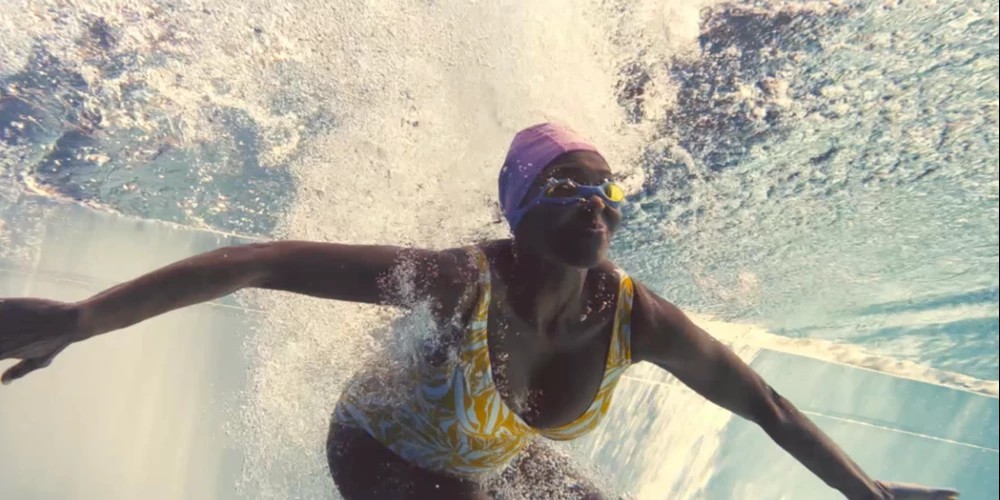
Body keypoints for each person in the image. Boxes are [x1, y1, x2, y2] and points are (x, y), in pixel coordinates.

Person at [1, 123, 959, 499]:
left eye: (605, 189)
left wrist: (866, 494)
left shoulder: (637, 318)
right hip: (381, 449)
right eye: (566, 187)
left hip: (491, 446)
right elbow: (259, 262)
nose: (594, 202)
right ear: (518, 209)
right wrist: (82, 321)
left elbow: (768, 409)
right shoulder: (457, 281)